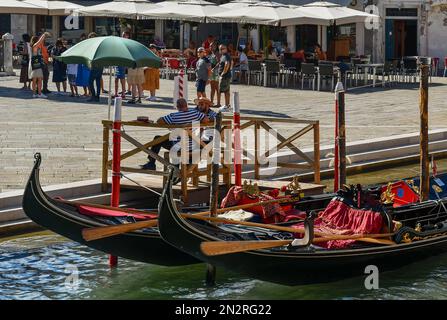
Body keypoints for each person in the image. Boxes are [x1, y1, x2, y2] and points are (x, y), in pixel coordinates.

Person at [140, 98, 209, 170]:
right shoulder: (195, 113)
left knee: (157, 139)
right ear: (187, 105)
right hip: (193, 146)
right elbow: (206, 119)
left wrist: (173, 124)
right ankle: (176, 169)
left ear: (177, 107)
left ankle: (151, 163)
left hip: (178, 147)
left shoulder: (174, 116)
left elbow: (159, 121)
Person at [29, 32, 50, 98]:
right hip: (36, 64)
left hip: (35, 64)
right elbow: (40, 41)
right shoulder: (35, 45)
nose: (39, 41)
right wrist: (44, 35)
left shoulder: (34, 46)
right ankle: (39, 93)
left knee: (35, 79)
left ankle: (35, 93)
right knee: (39, 79)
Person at [87, 32, 103, 102]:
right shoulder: (98, 44)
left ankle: (94, 96)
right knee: (97, 82)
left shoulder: (95, 45)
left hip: (97, 65)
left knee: (91, 82)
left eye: (92, 37)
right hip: (98, 64)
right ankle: (97, 97)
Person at [217, 44, 233, 112]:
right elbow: (231, 62)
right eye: (220, 49)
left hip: (225, 76)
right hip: (226, 75)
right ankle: (227, 105)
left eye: (222, 49)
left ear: (226, 48)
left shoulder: (226, 56)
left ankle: (227, 106)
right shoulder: (223, 56)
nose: (221, 50)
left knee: (225, 91)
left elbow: (227, 64)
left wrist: (223, 73)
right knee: (226, 91)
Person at [207, 42, 220, 107]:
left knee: (217, 88)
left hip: (216, 72)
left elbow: (219, 62)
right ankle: (211, 102)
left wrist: (213, 68)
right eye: (210, 46)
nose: (211, 47)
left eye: (212, 46)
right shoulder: (211, 54)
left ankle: (218, 103)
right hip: (212, 72)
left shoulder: (217, 53)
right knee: (212, 88)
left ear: (215, 46)